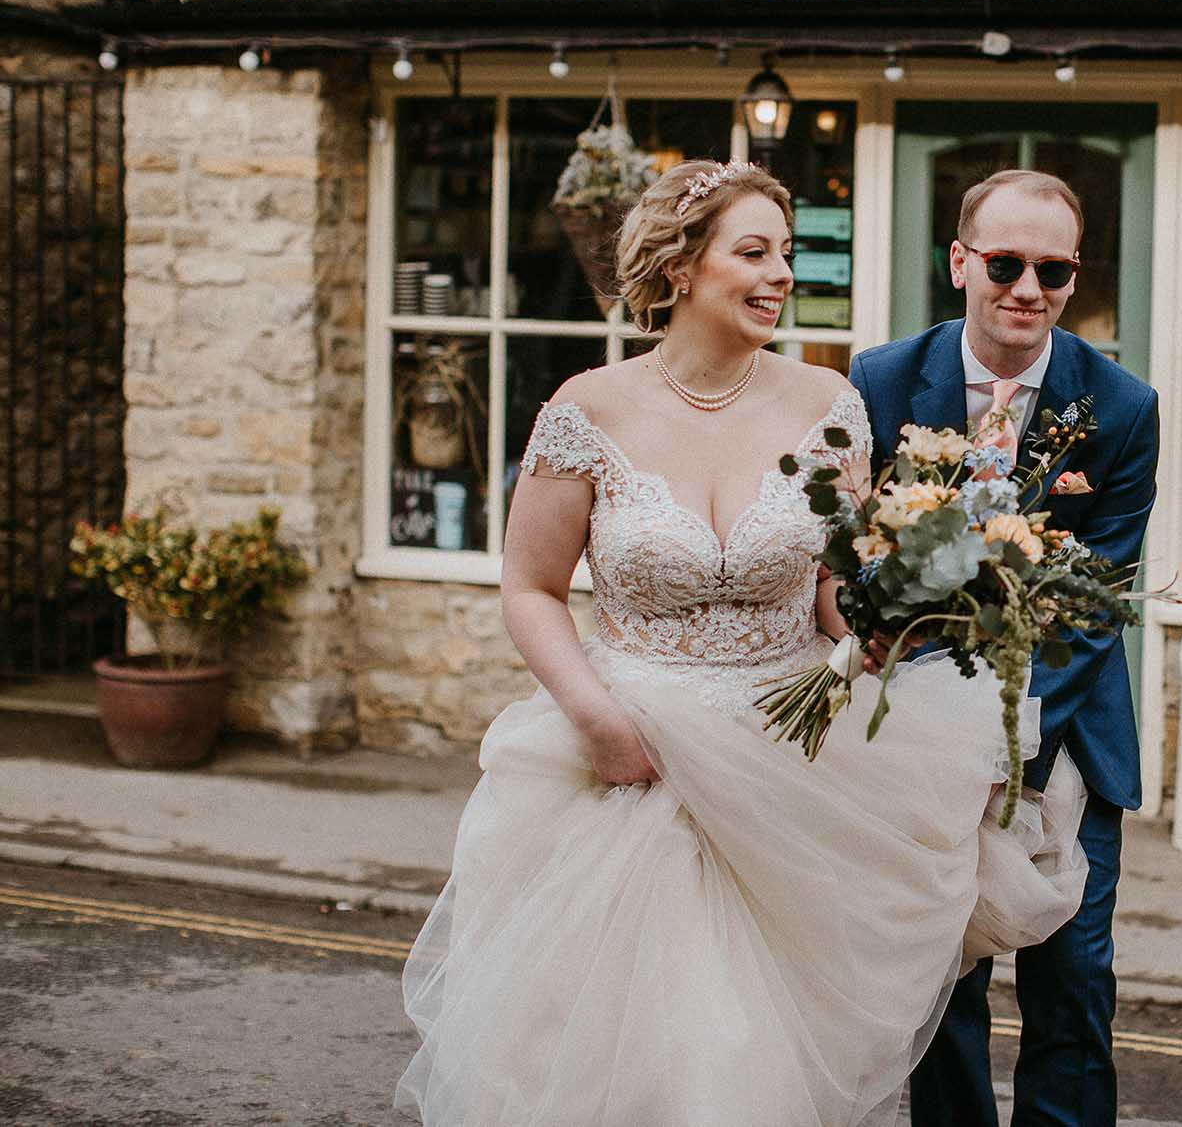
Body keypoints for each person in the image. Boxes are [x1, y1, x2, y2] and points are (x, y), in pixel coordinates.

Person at [396, 160, 1089, 1126]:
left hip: (791, 762)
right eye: (753, 253)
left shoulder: (828, 404)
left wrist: (881, 625)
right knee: (630, 1051)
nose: (779, 277)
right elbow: (531, 587)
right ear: (682, 268)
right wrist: (594, 715)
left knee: (759, 1055)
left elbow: (828, 583)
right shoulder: (585, 412)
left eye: (788, 256)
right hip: (630, 759)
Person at [851, 169, 1161, 1127]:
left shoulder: (1122, 405)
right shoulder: (880, 381)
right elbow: (864, 567)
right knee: (941, 988)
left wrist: (1007, 747)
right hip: (920, 738)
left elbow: (1090, 605)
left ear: (1074, 278)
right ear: (960, 261)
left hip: (1068, 741)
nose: (1028, 288)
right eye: (1005, 262)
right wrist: (940, 726)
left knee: (1073, 990)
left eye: (1054, 269)